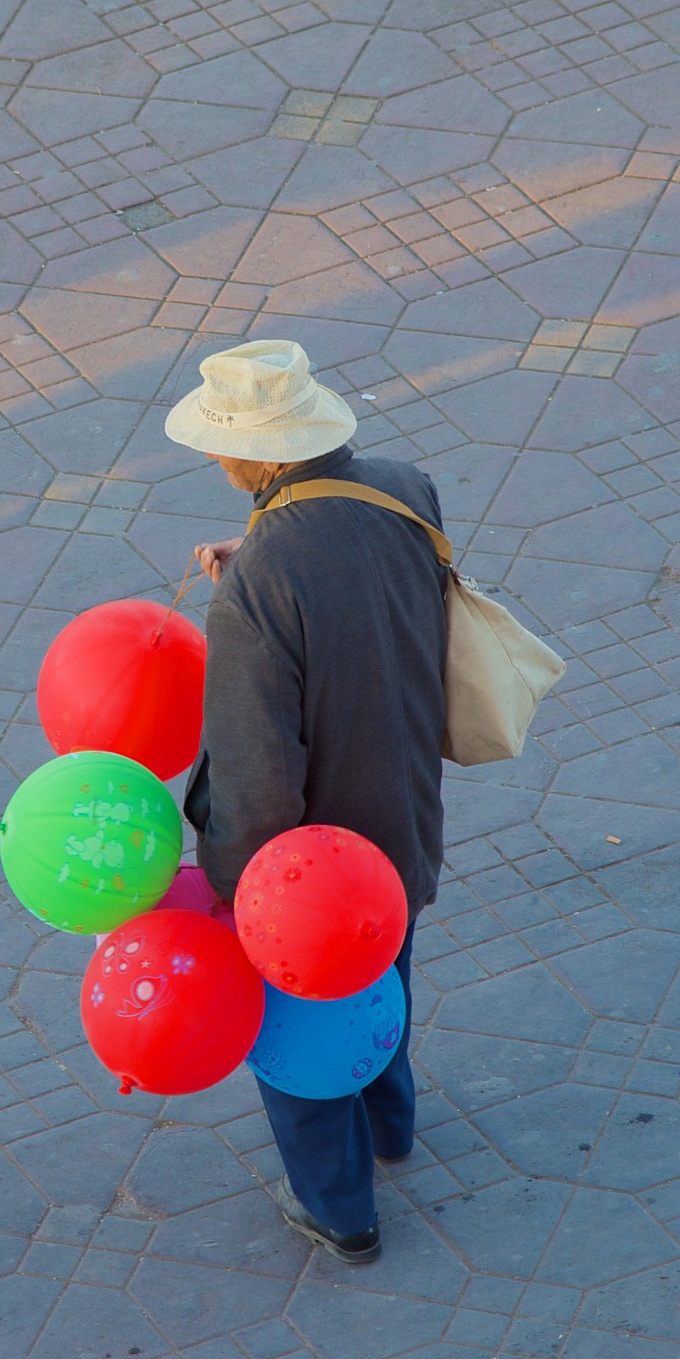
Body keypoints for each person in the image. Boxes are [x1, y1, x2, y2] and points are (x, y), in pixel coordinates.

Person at [163, 338, 448, 1264]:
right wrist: (263, 549)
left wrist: (236, 891)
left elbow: (255, 779)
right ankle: (395, 1127)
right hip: (403, 813)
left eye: (222, 443)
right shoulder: (405, 487)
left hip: (313, 869)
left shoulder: (255, 590)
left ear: (266, 456)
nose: (215, 460)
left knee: (303, 1040)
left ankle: (341, 1210)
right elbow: (360, 571)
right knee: (388, 968)